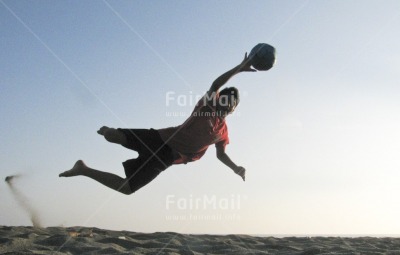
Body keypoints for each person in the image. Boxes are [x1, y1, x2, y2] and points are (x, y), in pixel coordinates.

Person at [59, 53, 256, 194]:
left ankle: (83, 170)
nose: (228, 103)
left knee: (127, 189)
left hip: (167, 157)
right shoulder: (207, 105)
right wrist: (239, 67)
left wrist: (235, 167)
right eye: (226, 98)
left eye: (233, 102)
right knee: (112, 136)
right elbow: (216, 84)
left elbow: (221, 154)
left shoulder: (223, 132)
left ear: (234, 108)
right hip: (160, 138)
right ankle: (109, 133)